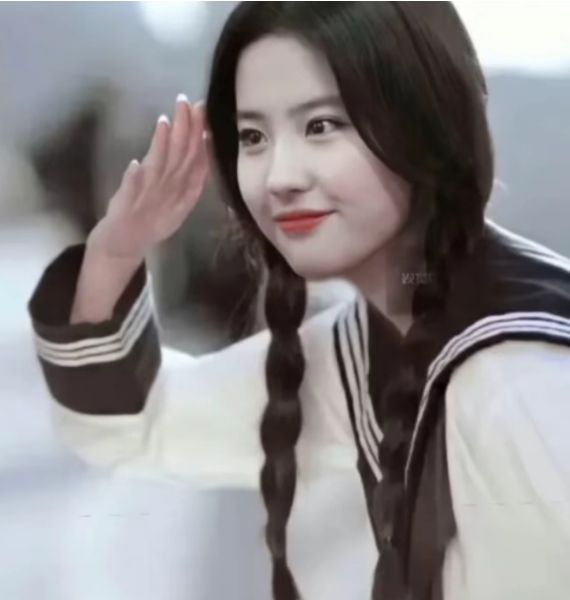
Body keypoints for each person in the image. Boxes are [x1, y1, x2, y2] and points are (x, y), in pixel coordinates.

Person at [27, 3, 570, 599]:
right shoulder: (366, 346)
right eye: (254, 137)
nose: (280, 177)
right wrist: (115, 252)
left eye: (321, 126)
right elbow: (137, 427)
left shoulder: (519, 383)